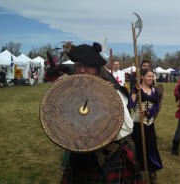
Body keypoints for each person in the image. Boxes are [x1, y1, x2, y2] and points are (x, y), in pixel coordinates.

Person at [59, 42, 142, 183]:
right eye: (79, 65)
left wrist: (99, 132)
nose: (82, 70)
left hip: (110, 155)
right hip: (81, 153)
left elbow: (126, 128)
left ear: (97, 69)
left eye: (87, 66)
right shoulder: (73, 91)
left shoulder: (112, 92)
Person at [129, 69, 163, 184]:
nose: (151, 78)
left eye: (152, 76)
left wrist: (148, 112)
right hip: (138, 123)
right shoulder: (137, 89)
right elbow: (130, 105)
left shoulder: (154, 90)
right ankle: (137, 174)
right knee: (137, 148)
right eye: (149, 76)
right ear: (142, 77)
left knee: (151, 148)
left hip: (149, 123)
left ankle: (152, 173)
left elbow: (157, 106)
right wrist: (134, 92)